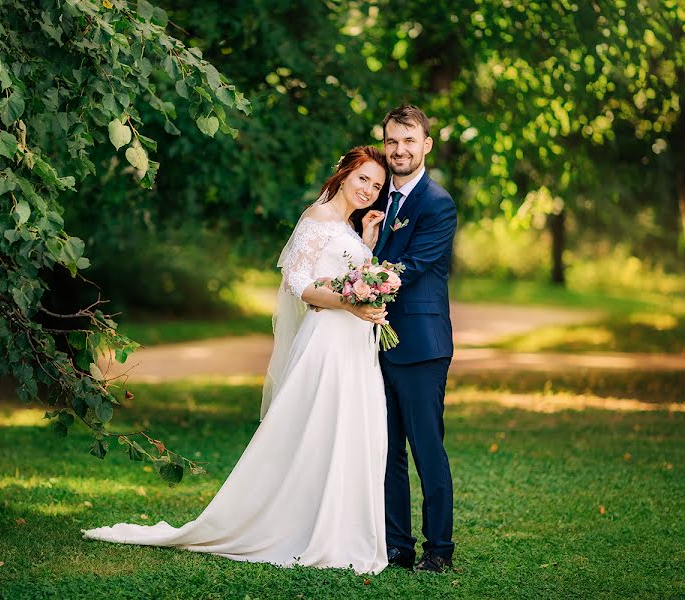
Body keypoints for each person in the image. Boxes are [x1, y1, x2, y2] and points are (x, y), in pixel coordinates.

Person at [82, 146, 394, 574]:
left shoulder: (347, 225)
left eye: (377, 186)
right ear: (343, 174)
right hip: (328, 341)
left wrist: (368, 248)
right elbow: (299, 283)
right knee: (322, 428)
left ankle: (342, 528)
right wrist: (350, 302)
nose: (369, 190)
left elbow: (344, 275)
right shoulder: (317, 218)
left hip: (354, 343)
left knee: (350, 430)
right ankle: (302, 527)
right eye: (363, 179)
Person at [371, 104, 458, 573]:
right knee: (386, 453)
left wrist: (357, 284)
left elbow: (414, 265)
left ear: (425, 144)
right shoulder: (374, 197)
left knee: (426, 450)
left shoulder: (437, 203)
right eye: (391, 141)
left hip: (421, 346)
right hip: (372, 345)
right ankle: (397, 546)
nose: (399, 150)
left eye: (408, 140)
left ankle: (439, 550)